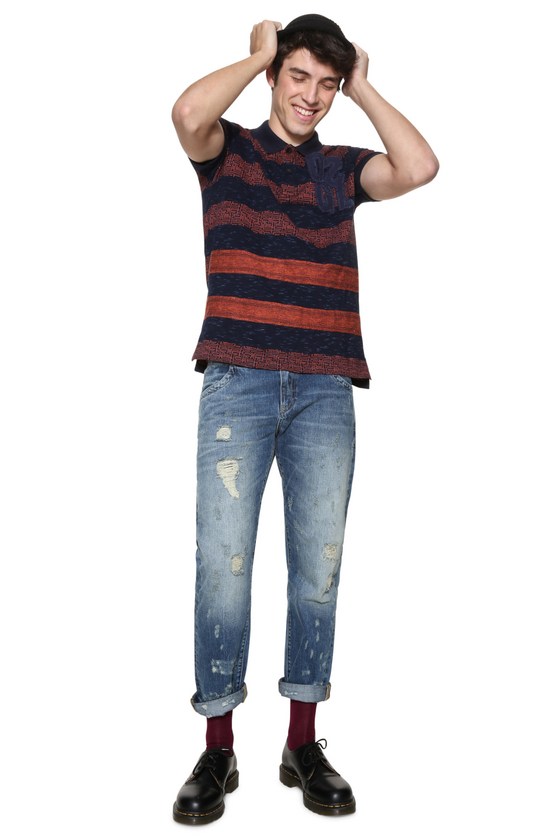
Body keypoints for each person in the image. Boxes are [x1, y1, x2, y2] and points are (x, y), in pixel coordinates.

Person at [170, 14, 438, 824]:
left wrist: (363, 88)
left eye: (326, 84)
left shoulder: (341, 170)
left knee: (317, 571)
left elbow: (420, 166)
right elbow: (187, 112)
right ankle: (219, 748)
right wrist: (258, 51)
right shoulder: (227, 153)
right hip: (238, 384)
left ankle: (300, 742)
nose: (311, 96)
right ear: (273, 76)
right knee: (224, 569)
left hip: (324, 390)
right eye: (298, 77)